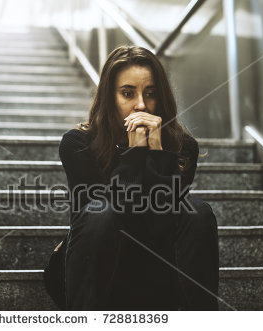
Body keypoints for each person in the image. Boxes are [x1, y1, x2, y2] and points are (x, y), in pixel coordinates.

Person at [44, 45, 219, 310]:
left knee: (198, 212)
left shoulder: (182, 147)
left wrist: (158, 153)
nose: (141, 105)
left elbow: (165, 218)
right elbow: (109, 215)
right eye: (128, 93)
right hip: (101, 271)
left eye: (150, 93)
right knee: (100, 210)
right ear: (108, 97)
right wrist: (135, 152)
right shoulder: (78, 144)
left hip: (155, 272)